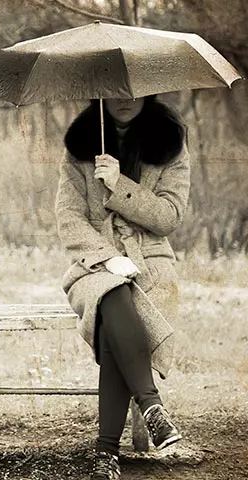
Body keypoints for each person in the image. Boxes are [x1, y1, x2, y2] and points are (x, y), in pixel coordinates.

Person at [55, 95, 190, 479]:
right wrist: (107, 257)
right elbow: (68, 219)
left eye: (133, 91)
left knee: (117, 319)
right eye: (113, 90)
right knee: (110, 293)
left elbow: (169, 217)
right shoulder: (80, 144)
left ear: (147, 91)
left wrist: (120, 184)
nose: (124, 100)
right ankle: (152, 406)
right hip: (93, 262)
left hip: (151, 261)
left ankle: (106, 454)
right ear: (99, 93)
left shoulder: (170, 141)